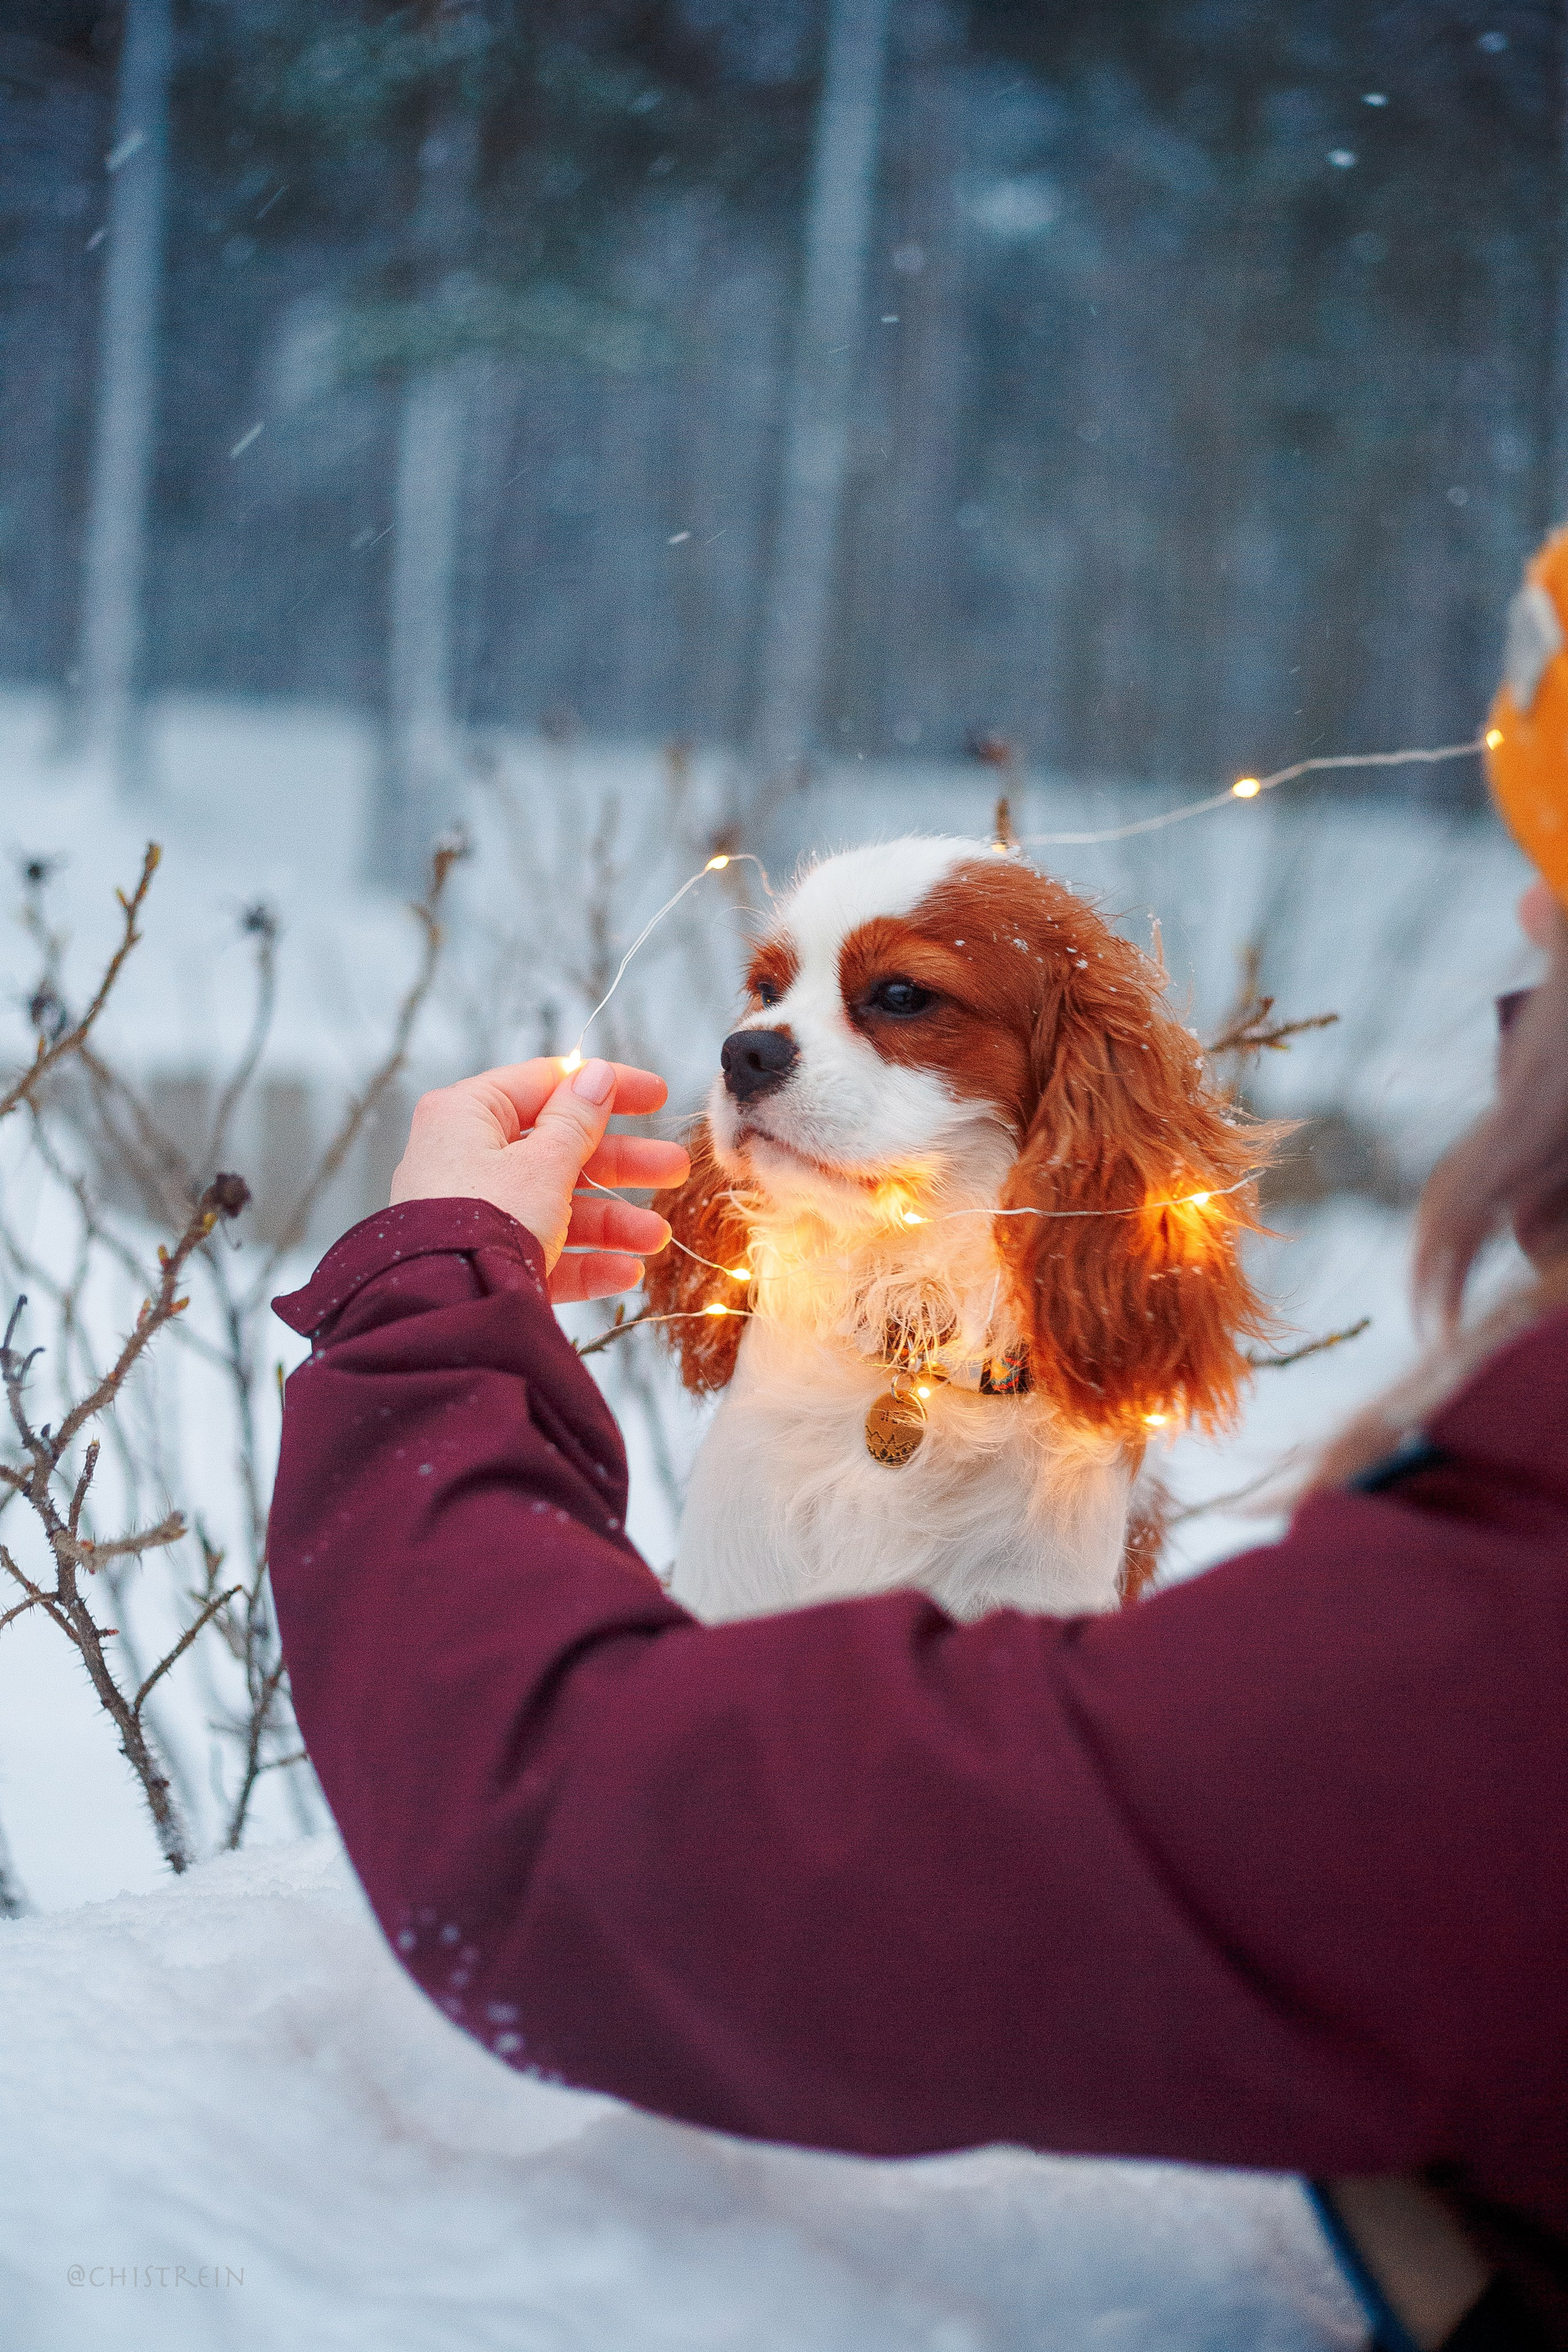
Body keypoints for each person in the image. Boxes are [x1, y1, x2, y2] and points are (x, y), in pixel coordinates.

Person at [269, 541, 1568, 2352]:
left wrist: (433, 1296)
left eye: (897, 999)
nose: (768, 1046)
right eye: (775, 998)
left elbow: (617, 1836)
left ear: (1071, 1092)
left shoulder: (1505, 1610)